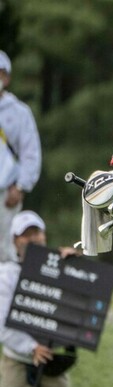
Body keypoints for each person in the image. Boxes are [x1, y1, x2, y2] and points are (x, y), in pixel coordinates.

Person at [0, 211, 79, 387]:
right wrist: (32, 347)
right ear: (15, 240)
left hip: (53, 363)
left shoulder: (60, 266)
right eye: (26, 234)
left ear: (44, 235)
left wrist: (74, 266)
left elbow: (79, 300)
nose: (33, 238)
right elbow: (2, 324)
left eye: (37, 232)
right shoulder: (6, 275)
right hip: (18, 363)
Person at [0, 51, 42, 264]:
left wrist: (21, 186)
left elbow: (30, 152)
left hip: (6, 191)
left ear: (6, 78)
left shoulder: (19, 112)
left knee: (4, 247)